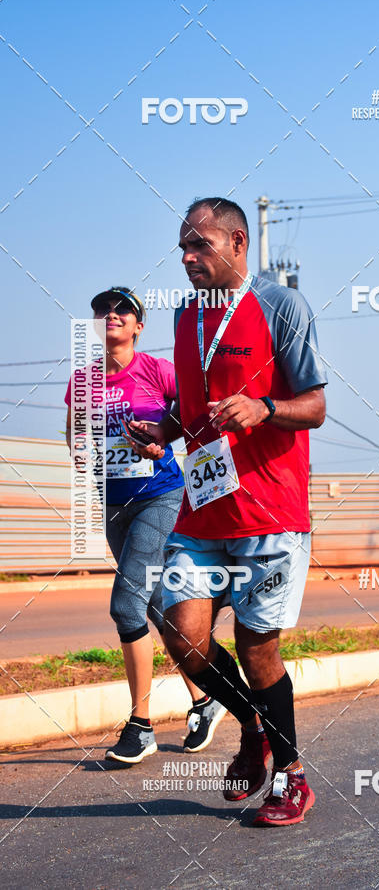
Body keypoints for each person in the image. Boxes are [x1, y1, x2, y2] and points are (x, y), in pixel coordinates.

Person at [130, 198, 327, 825]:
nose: (187, 258)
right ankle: (252, 726)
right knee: (183, 635)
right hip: (204, 508)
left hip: (271, 510)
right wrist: (161, 428)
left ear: (238, 242)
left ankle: (291, 777)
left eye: (200, 246)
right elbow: (195, 413)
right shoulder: (188, 319)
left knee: (255, 647)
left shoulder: (281, 306)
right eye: (182, 248)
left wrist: (265, 407)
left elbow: (316, 406)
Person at [65, 287, 226, 763]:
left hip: (160, 494)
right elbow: (76, 429)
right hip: (113, 500)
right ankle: (206, 699)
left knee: (125, 605)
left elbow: (192, 414)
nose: (110, 315)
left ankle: (140, 727)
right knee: (155, 607)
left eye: (123, 311)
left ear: (138, 326)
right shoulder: (82, 380)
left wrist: (163, 440)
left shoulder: (158, 371)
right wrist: (77, 448)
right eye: (102, 310)